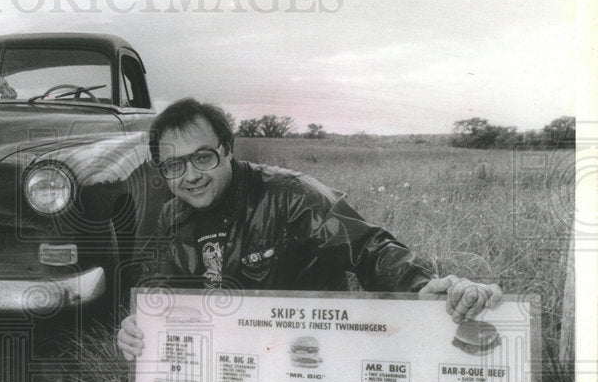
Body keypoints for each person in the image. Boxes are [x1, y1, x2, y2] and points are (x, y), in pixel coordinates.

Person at [117, 98, 502, 360]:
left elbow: (368, 249)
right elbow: (159, 287)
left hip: (311, 352)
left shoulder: (290, 194)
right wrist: (141, 323)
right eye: (175, 165)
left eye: (203, 157)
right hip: (234, 355)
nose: (190, 176)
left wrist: (420, 287)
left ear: (228, 149)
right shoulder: (172, 216)